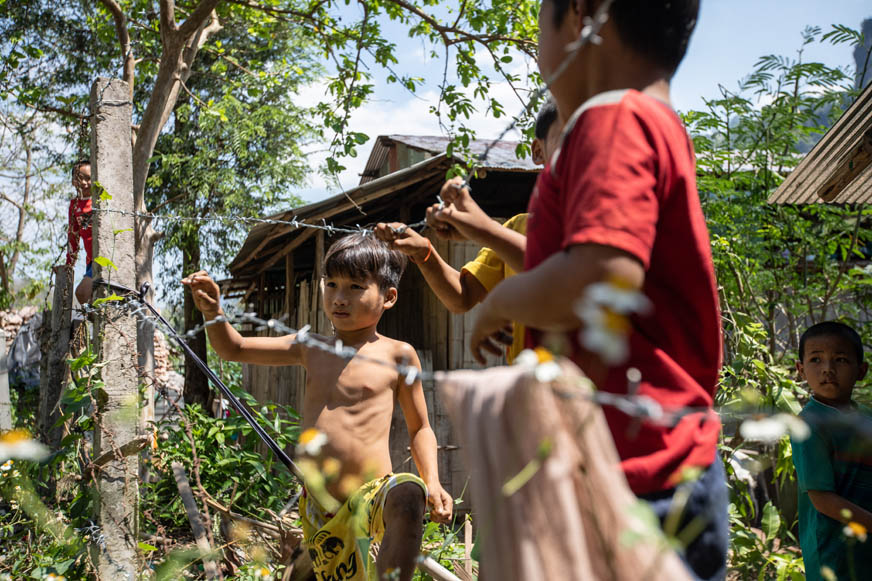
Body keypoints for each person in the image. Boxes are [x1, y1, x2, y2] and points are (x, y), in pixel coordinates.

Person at [468, 1, 728, 579]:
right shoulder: (653, 121)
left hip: (634, 477)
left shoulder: (611, 119)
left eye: (539, 23)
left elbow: (602, 275)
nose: (537, 51)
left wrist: (500, 302)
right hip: (654, 463)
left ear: (582, 13)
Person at [182, 234, 452, 581]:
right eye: (332, 284)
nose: (340, 298)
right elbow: (234, 348)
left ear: (389, 297)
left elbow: (421, 429)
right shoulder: (309, 346)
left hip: (372, 497)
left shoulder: (398, 354)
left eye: (355, 286)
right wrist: (214, 313)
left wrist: (433, 481)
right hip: (318, 504)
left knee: (409, 494)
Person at [374, 100, 562, 363]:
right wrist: (425, 252)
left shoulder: (609, 224)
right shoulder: (519, 227)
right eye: (569, 141)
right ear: (538, 150)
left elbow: (558, 274)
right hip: (529, 387)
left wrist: (485, 230)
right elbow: (462, 296)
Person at [791, 321, 872, 581]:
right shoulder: (809, 424)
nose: (828, 369)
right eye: (816, 359)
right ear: (800, 370)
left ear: (862, 371)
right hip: (834, 552)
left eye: (840, 359)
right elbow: (822, 499)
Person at [67, 160, 94, 305]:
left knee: (82, 293)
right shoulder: (74, 205)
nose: (84, 182)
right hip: (90, 261)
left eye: (88, 178)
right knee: (90, 300)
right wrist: (69, 264)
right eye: (79, 178)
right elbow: (73, 236)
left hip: (101, 258)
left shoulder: (99, 201)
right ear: (73, 181)